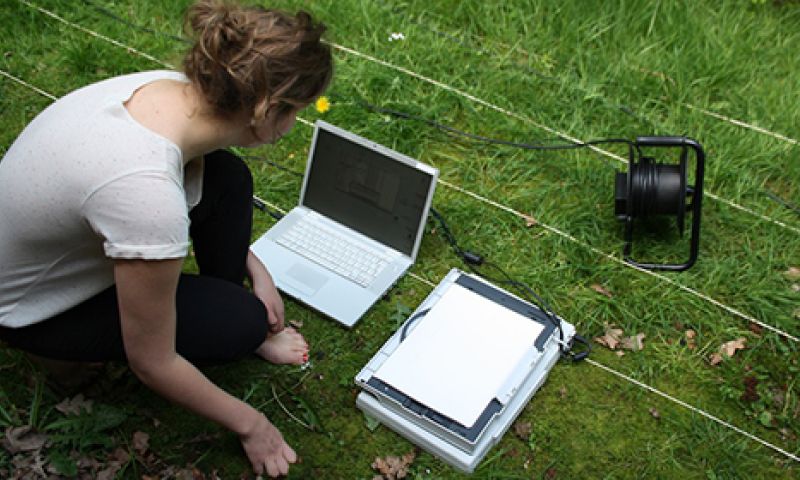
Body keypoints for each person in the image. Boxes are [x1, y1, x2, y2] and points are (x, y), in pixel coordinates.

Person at [0, 0, 332, 477]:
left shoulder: (169, 91)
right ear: (263, 110)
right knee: (240, 323)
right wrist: (252, 425)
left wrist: (254, 268)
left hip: (49, 245)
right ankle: (52, 352)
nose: (294, 124)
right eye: (295, 111)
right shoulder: (146, 194)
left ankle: (236, 304)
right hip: (29, 307)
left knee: (228, 177)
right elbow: (151, 362)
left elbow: (193, 183)